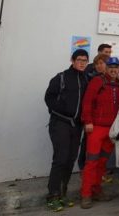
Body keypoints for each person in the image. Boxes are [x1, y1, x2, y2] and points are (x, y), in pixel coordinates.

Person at [44, 49, 89, 212]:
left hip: (76, 126)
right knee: (60, 159)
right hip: (60, 123)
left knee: (70, 159)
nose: (82, 63)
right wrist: (64, 111)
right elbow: (48, 98)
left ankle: (62, 194)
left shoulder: (86, 79)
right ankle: (52, 196)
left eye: (85, 60)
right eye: (79, 60)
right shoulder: (61, 77)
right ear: (72, 60)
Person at [80, 56, 119, 209]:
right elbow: (87, 102)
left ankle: (96, 190)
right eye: (110, 66)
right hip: (96, 128)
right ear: (106, 68)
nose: (113, 69)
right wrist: (88, 121)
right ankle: (86, 194)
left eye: (116, 67)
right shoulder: (97, 81)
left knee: (103, 162)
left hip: (111, 131)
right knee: (91, 161)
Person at [78, 54, 109, 171]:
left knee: (102, 155)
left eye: (102, 63)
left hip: (106, 124)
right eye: (97, 64)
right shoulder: (93, 79)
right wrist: (88, 121)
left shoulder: (113, 80)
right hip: (93, 123)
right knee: (90, 153)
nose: (99, 66)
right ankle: (85, 174)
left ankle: (97, 178)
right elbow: (87, 102)